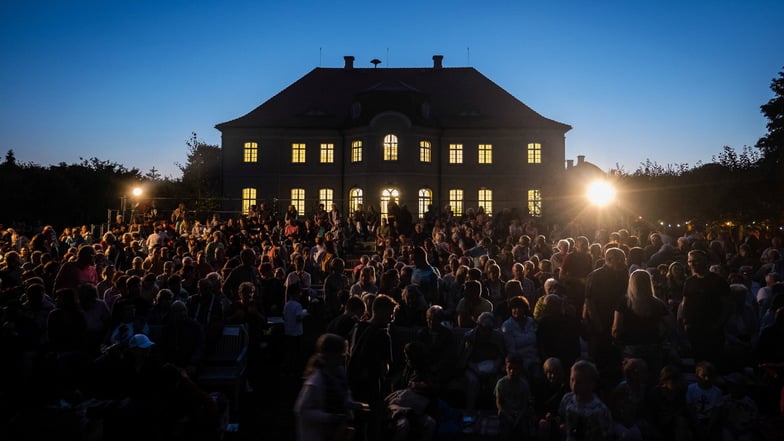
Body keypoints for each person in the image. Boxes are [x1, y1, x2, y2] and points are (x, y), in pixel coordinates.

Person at [294, 333, 358, 441]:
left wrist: (352, 405)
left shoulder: (340, 374)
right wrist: (330, 417)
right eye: (341, 353)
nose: (344, 356)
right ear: (330, 355)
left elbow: (344, 396)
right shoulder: (316, 381)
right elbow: (302, 411)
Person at [612, 269, 673, 379]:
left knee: (632, 378)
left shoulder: (623, 302)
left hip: (630, 346)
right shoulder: (657, 303)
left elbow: (616, 327)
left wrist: (617, 340)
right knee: (653, 377)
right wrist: (662, 337)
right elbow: (670, 325)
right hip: (652, 344)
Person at [583, 247, 627, 383]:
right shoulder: (595, 276)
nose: (622, 263)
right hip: (601, 323)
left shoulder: (623, 274)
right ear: (609, 260)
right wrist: (598, 326)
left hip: (617, 322)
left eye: (623, 260)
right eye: (619, 260)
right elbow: (590, 303)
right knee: (601, 358)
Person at [681, 250, 732, 368]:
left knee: (714, 362)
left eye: (696, 261)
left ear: (705, 262)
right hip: (694, 330)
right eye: (690, 261)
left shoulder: (718, 281)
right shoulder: (689, 282)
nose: (693, 264)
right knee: (698, 362)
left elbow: (728, 305)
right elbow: (685, 303)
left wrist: (719, 324)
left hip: (712, 329)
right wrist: (685, 322)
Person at [558, 360, 613, 441]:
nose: (574, 385)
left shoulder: (599, 409)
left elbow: (606, 433)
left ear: (591, 384)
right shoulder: (567, 399)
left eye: (579, 382)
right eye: (572, 380)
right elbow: (562, 417)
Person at [495, 354, 533, 441]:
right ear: (506, 368)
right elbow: (499, 403)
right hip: (506, 413)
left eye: (515, 369)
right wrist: (507, 415)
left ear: (520, 369)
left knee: (524, 431)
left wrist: (519, 416)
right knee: (505, 431)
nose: (512, 371)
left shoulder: (524, 385)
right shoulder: (501, 383)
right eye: (509, 368)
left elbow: (525, 404)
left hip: (520, 413)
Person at [686, 361, 722, 441]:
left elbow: (716, 411)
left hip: (710, 421)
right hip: (695, 420)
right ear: (696, 376)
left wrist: (709, 426)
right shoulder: (691, 389)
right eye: (703, 376)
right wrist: (697, 423)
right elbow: (690, 408)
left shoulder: (717, 392)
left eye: (709, 376)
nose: (707, 379)